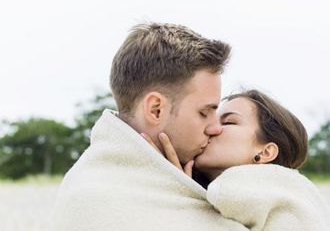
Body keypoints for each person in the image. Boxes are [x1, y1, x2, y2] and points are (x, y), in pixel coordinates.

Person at [51, 23, 248, 231]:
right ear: (156, 109)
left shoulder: (90, 178)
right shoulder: (102, 201)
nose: (215, 128)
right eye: (204, 113)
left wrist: (182, 188)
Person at [144, 89, 330, 231]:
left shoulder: (293, 203)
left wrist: (182, 198)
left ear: (266, 152)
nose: (211, 129)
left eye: (228, 122)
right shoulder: (202, 194)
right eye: (207, 118)